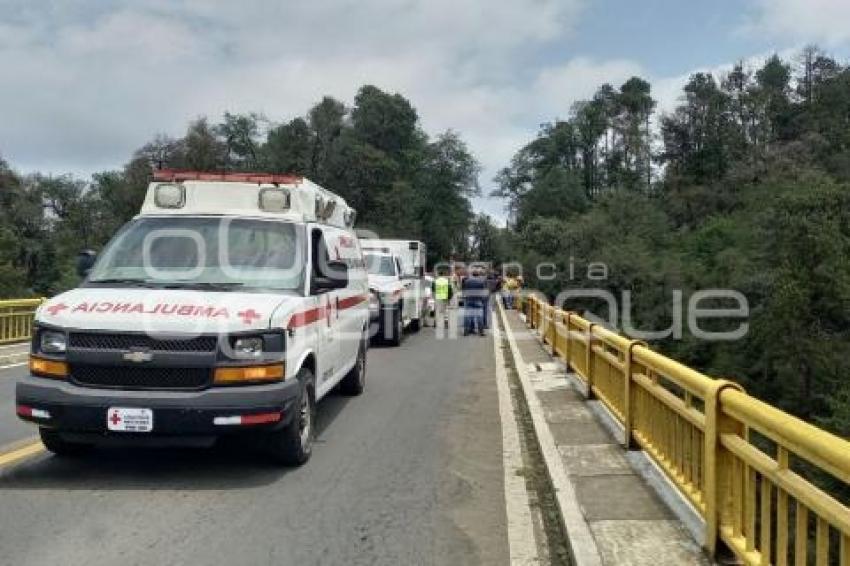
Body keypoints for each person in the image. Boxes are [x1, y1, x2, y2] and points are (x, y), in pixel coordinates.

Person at [461, 268, 487, 336]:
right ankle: (481, 332)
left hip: (469, 299)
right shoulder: (481, 282)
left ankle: (466, 331)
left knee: (468, 317)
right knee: (479, 316)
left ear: (472, 274)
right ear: (478, 275)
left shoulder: (467, 281)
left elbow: (464, 290)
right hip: (478, 300)